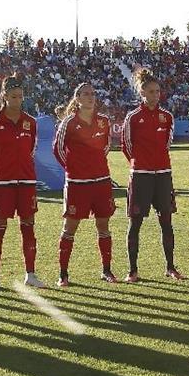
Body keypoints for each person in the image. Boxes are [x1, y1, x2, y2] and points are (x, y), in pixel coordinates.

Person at [0, 75, 44, 291]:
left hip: (26, 182)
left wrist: (23, 169)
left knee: (28, 228)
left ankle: (31, 274)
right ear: (4, 96)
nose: (17, 100)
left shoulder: (31, 122)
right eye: (13, 96)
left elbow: (31, 150)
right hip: (2, 183)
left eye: (20, 96)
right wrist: (1, 171)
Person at [52, 82, 117, 284]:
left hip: (101, 181)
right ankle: (63, 273)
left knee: (103, 225)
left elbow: (106, 146)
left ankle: (106, 270)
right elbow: (58, 149)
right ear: (77, 98)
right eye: (85, 94)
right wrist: (73, 168)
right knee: (70, 227)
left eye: (92, 94)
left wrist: (95, 165)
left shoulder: (104, 121)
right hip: (77, 183)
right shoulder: (69, 122)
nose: (90, 97)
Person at [121, 68, 182, 281]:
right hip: (141, 176)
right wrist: (140, 164)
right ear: (142, 93)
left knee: (166, 221)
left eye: (158, 91)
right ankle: (132, 271)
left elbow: (167, 144)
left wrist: (157, 163)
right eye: (151, 91)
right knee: (135, 223)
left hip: (163, 175)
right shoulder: (133, 117)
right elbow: (126, 146)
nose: (155, 95)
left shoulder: (167, 117)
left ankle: (171, 267)